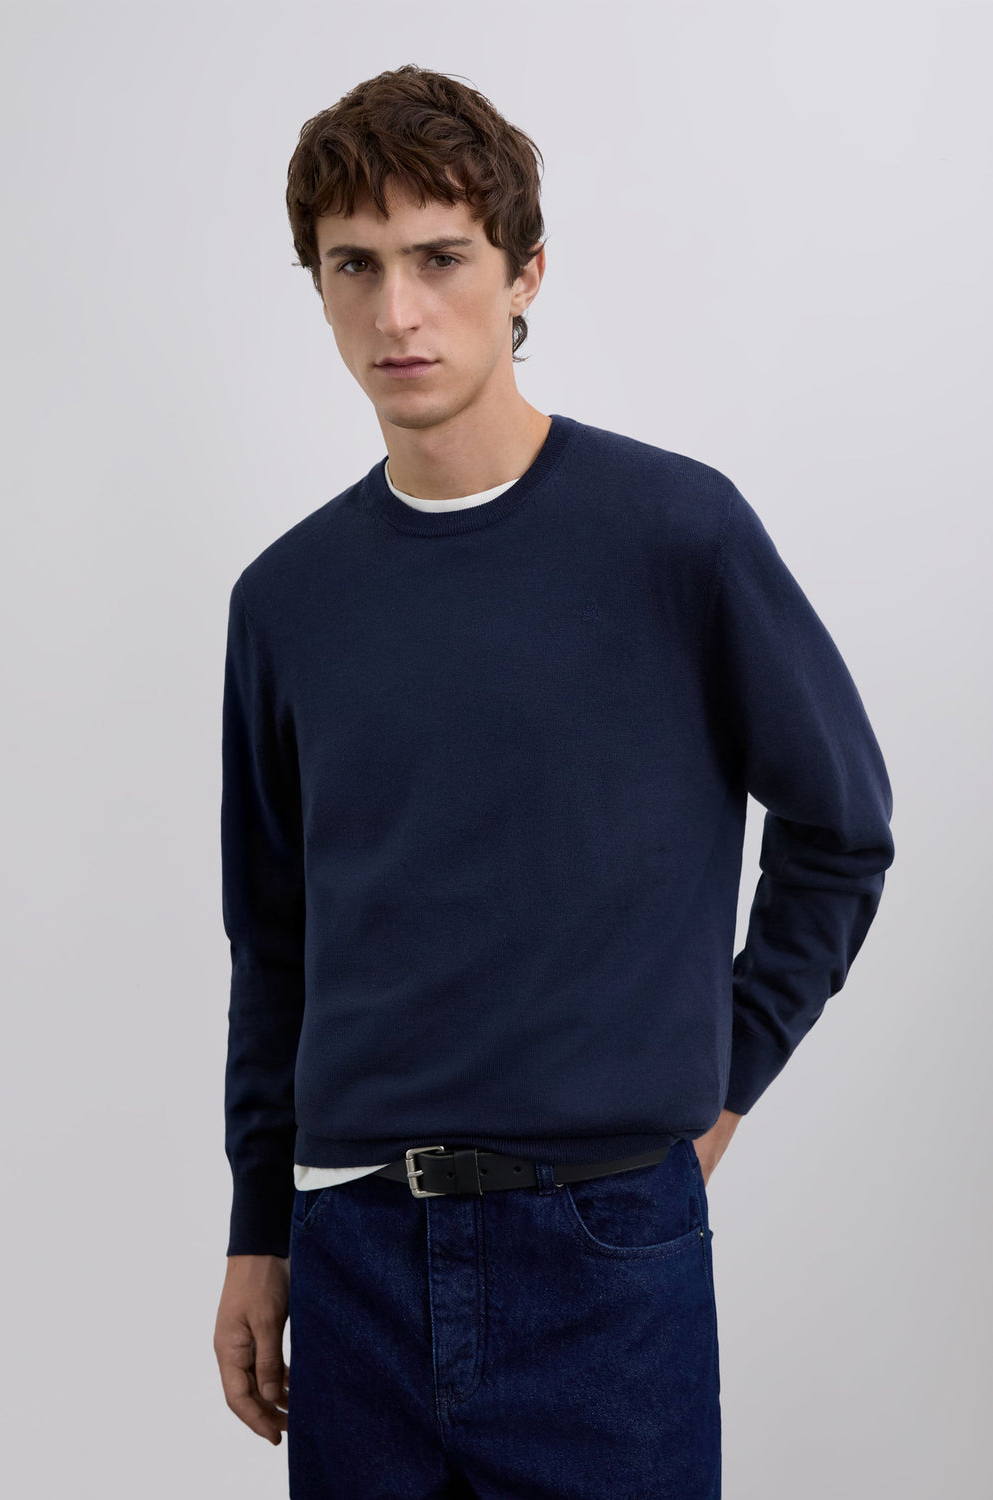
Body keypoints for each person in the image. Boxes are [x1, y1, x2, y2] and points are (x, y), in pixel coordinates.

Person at [212, 64, 894, 1500]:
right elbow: (273, 943)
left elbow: (840, 830)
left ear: (523, 273)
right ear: (318, 289)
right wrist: (257, 1231)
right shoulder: (286, 602)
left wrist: (721, 1082)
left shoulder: (676, 537)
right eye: (355, 266)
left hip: (604, 1251)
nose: (398, 313)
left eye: (440, 259)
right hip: (353, 1258)